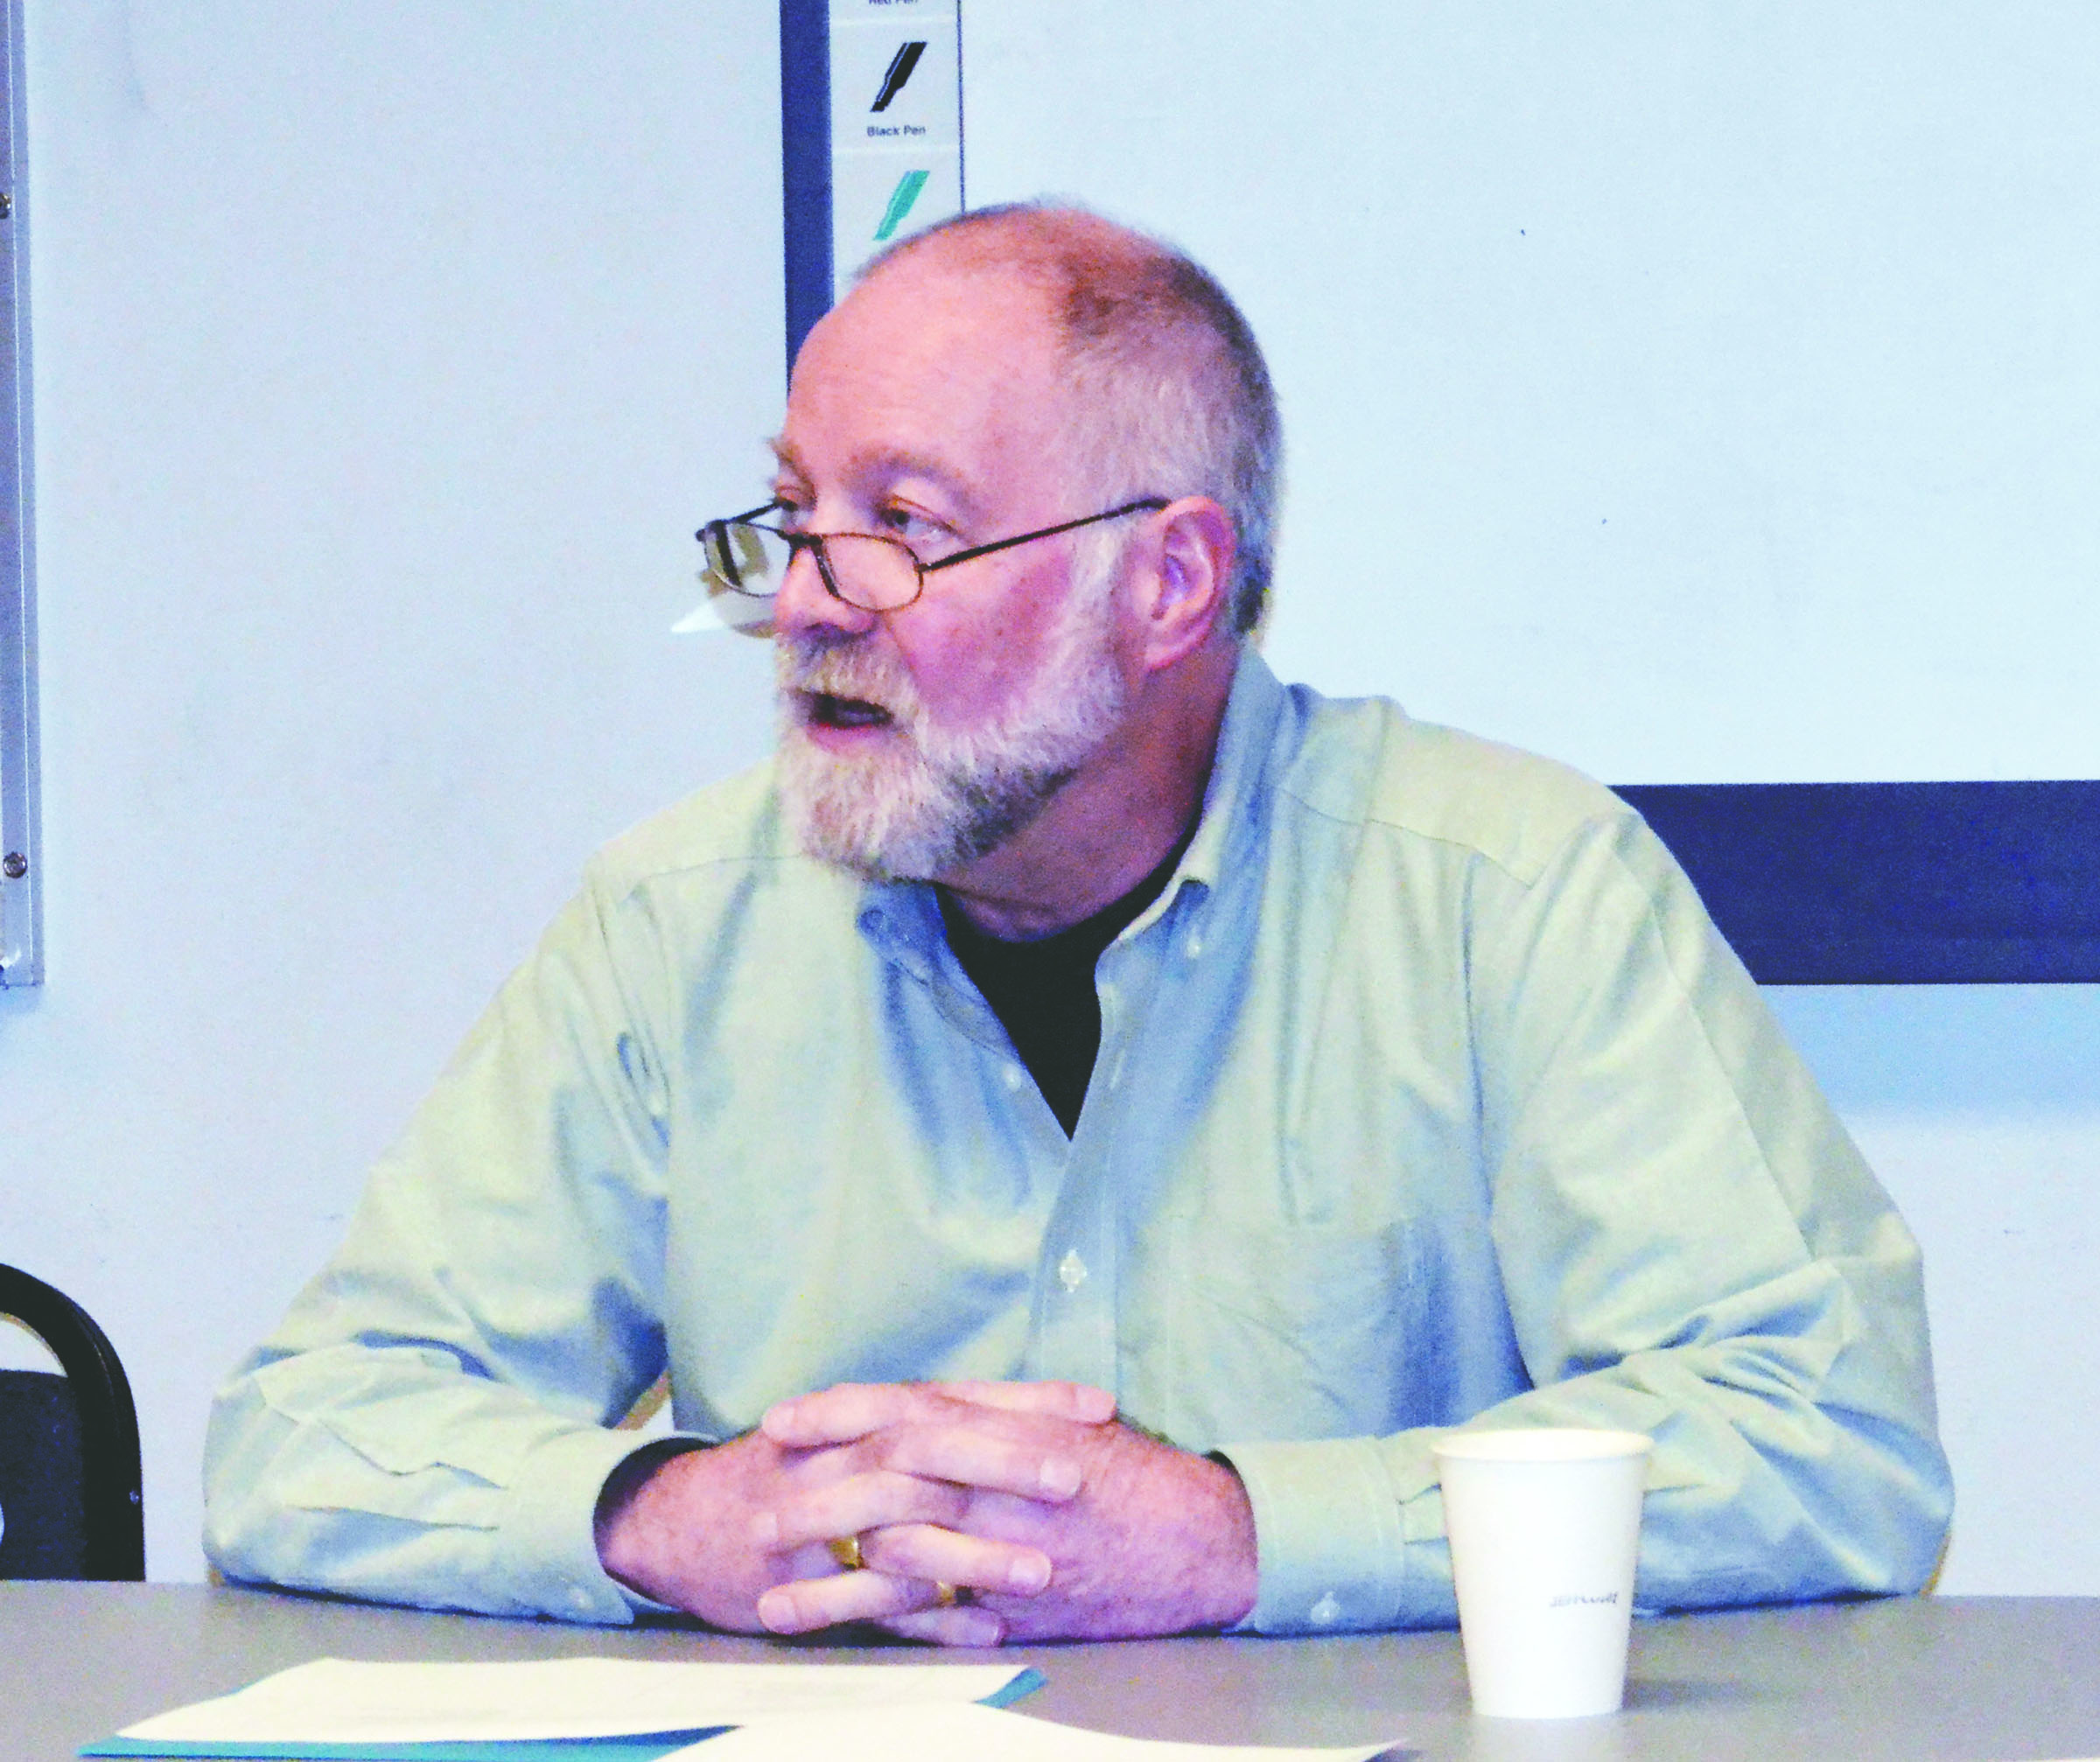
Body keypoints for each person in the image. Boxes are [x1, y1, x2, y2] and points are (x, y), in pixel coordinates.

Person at [203, 205, 1952, 1646]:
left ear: (1170, 581)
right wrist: (665, 1514)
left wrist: (1242, 1533)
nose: (807, 599)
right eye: (798, 515)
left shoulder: (1509, 891)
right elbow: (302, 1428)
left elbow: (1830, 1435)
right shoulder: (676, 925)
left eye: (902, 524)